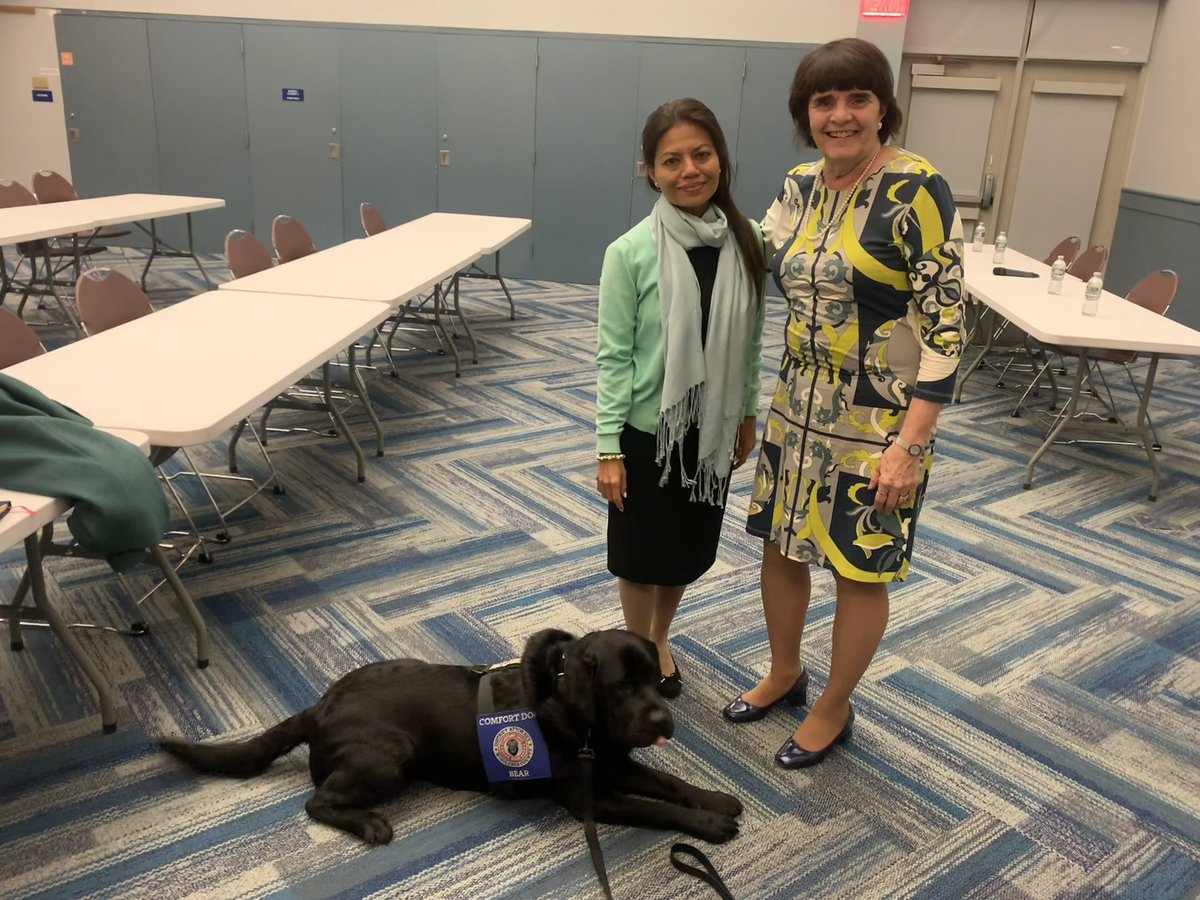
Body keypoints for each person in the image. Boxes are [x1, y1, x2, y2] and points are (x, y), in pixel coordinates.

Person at [721, 39, 964, 765]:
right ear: (806, 113)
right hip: (796, 405)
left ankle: (835, 705)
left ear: (883, 107)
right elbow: (753, 253)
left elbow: (948, 325)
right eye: (824, 101)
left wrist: (911, 445)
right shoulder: (799, 185)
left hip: (878, 419)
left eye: (857, 98)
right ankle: (786, 672)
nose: (840, 115)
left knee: (860, 565)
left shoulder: (916, 188)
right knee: (781, 544)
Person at [595, 98, 767, 699]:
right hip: (650, 434)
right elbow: (613, 357)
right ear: (650, 171)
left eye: (701, 154)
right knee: (640, 557)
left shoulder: (747, 242)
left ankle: (661, 638)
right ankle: (637, 654)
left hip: (713, 430)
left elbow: (749, 342)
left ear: (721, 157)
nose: (689, 170)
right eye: (671, 160)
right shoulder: (630, 252)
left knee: (685, 554)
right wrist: (608, 448)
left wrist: (747, 410)